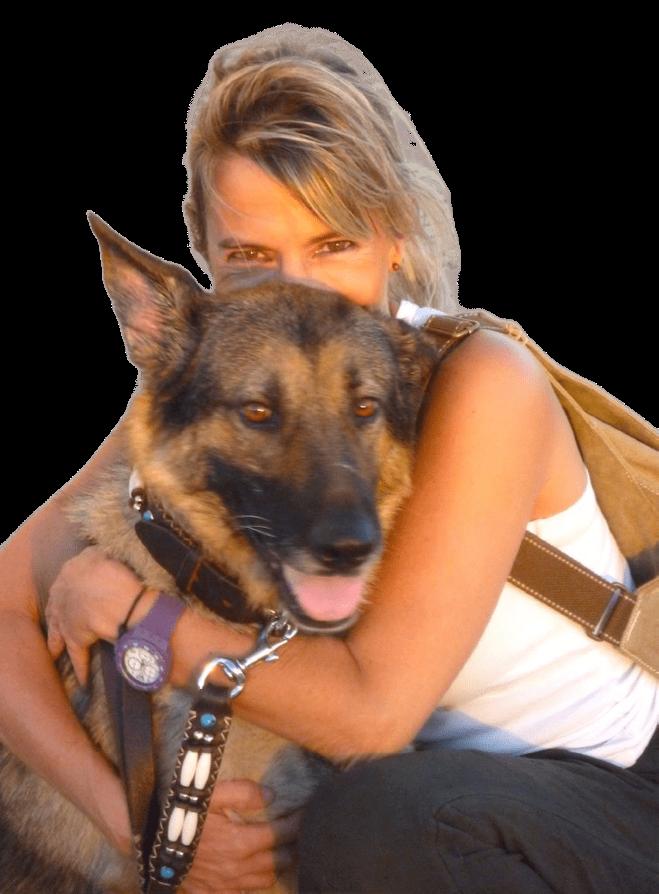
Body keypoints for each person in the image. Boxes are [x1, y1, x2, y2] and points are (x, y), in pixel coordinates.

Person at [2, 22, 657, 894]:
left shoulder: (480, 380)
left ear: (394, 235)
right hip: (449, 801)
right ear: (206, 254)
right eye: (250, 256)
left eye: (332, 243)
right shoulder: (214, 373)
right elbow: (4, 602)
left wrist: (136, 616)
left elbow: (369, 717)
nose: (296, 289)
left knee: (367, 821)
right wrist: (144, 832)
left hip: (611, 797)